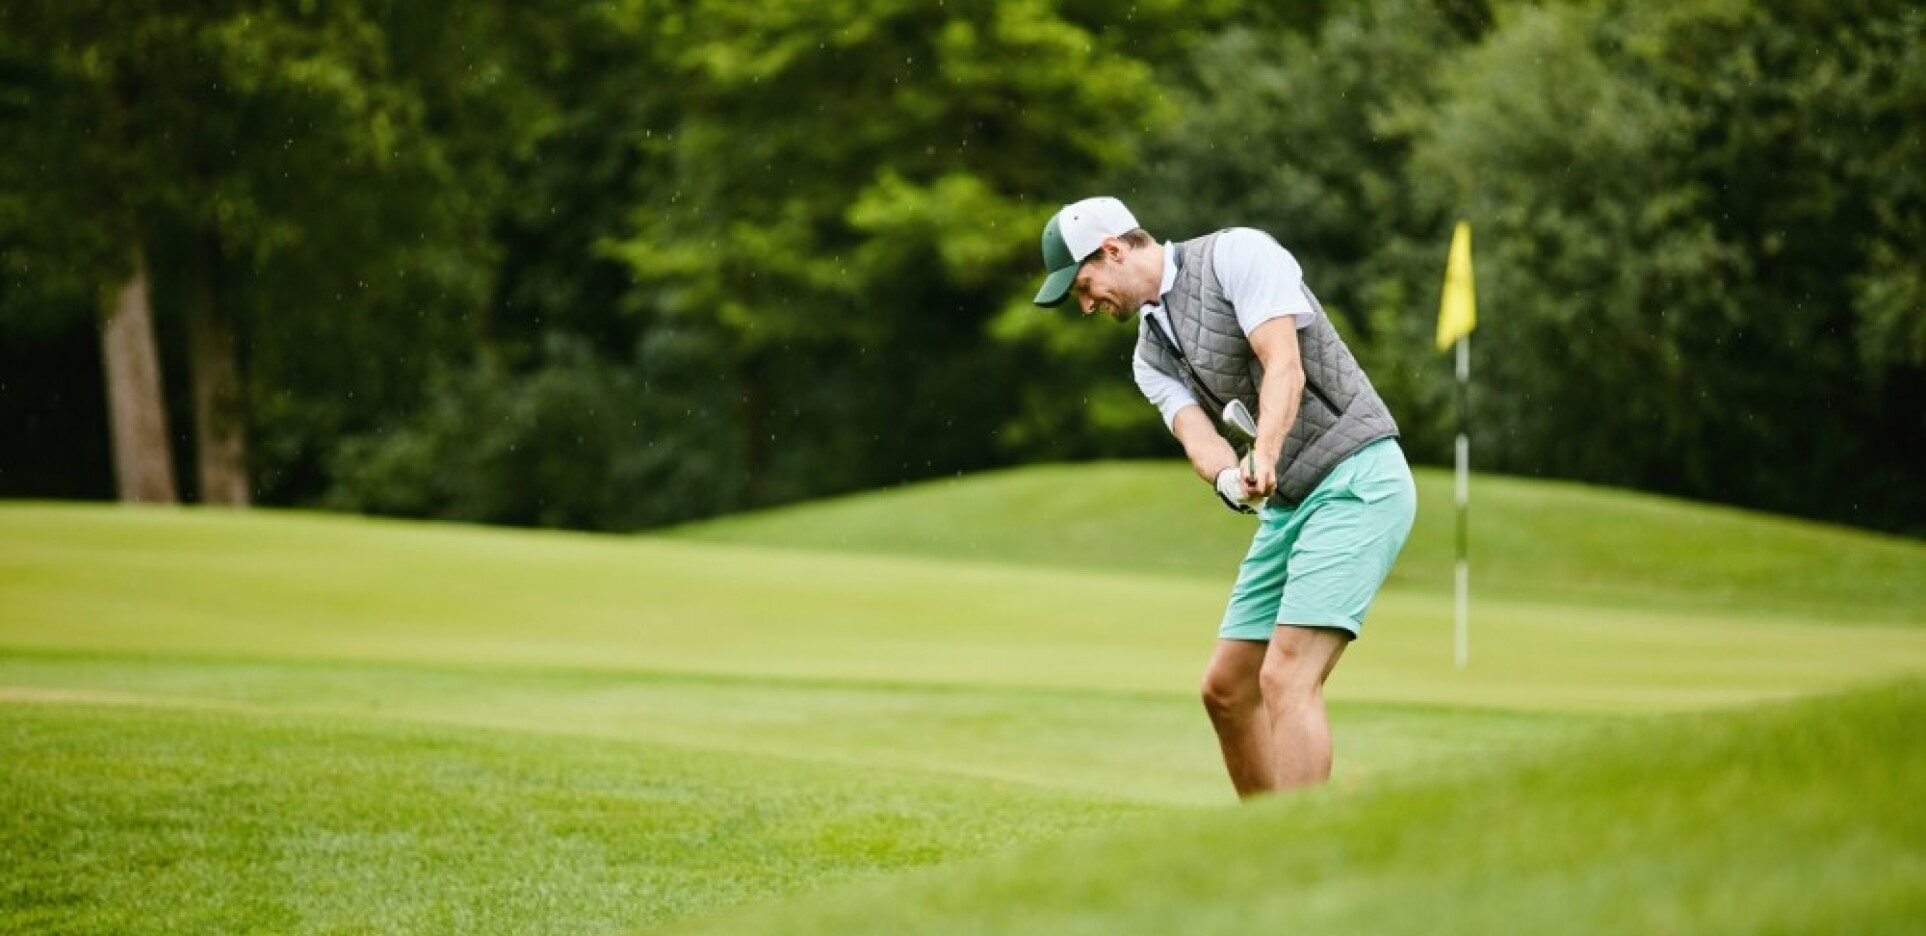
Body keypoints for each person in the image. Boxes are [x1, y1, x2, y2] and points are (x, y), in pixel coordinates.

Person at [1032, 196, 1417, 799]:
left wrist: (1263, 453)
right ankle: (1264, 847)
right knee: (1227, 691)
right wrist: (1227, 480)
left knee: (1286, 677)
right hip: (1291, 506)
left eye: (1083, 286)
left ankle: (1301, 850)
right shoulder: (1148, 355)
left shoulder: (1237, 254)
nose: (1084, 305)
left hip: (1357, 478)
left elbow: (1282, 363)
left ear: (1111, 251)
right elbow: (1197, 436)